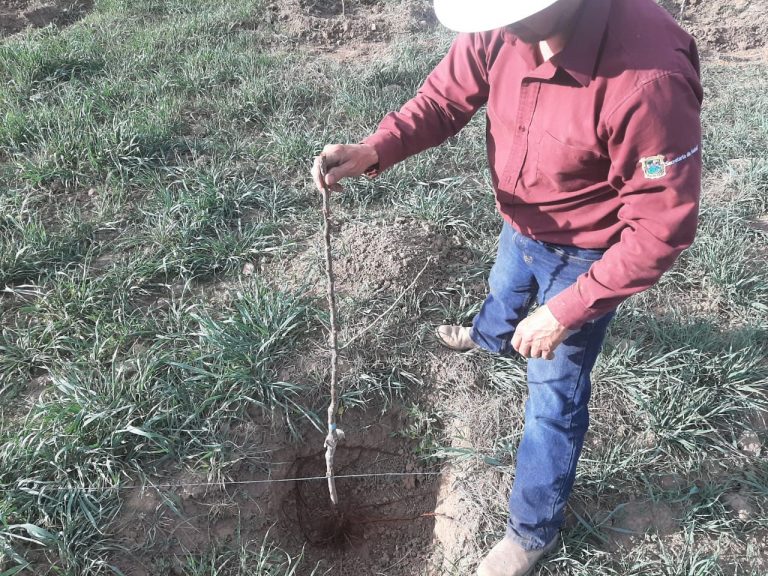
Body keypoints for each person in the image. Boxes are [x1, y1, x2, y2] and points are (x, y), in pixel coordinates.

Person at [311, 0, 703, 574]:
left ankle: (530, 532)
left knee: (554, 397)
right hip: (520, 219)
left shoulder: (648, 78)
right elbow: (444, 99)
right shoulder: (498, 26)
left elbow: (659, 229)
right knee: (504, 286)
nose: (496, 27)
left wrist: (566, 311)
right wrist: (378, 148)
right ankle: (490, 338)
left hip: (588, 252)